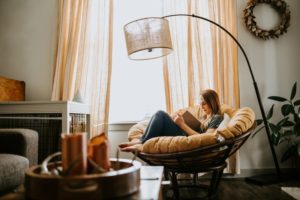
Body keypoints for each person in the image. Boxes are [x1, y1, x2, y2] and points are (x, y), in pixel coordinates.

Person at [119, 89, 223, 152]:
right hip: (184, 135)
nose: (201, 106)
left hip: (188, 141)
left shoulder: (217, 118)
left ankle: (142, 142)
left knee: (160, 114)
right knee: (161, 116)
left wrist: (182, 124)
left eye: (204, 103)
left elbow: (206, 139)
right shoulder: (205, 117)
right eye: (200, 103)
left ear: (212, 102)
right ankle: (142, 141)